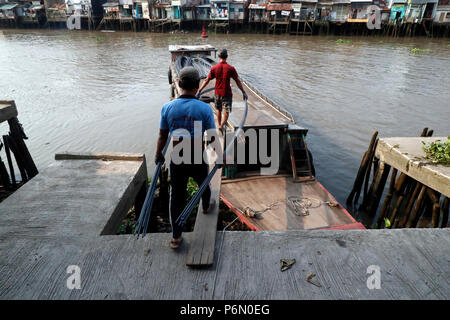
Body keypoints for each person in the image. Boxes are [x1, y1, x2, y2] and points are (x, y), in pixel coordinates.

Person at [155, 66, 216, 249]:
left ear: (179, 84)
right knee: (204, 185)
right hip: (197, 156)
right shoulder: (204, 109)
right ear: (198, 86)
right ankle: (205, 207)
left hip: (177, 158)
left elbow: (162, 136)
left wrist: (158, 155)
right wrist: (220, 157)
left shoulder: (168, 107)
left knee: (177, 197)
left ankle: (176, 237)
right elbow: (212, 136)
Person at [198, 48, 247, 133]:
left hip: (217, 93)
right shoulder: (231, 68)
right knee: (226, 111)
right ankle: (221, 125)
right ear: (227, 57)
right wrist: (243, 92)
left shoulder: (214, 68)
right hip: (227, 93)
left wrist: (200, 90)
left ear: (218, 56)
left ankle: (219, 124)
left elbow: (207, 80)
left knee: (219, 110)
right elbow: (237, 81)